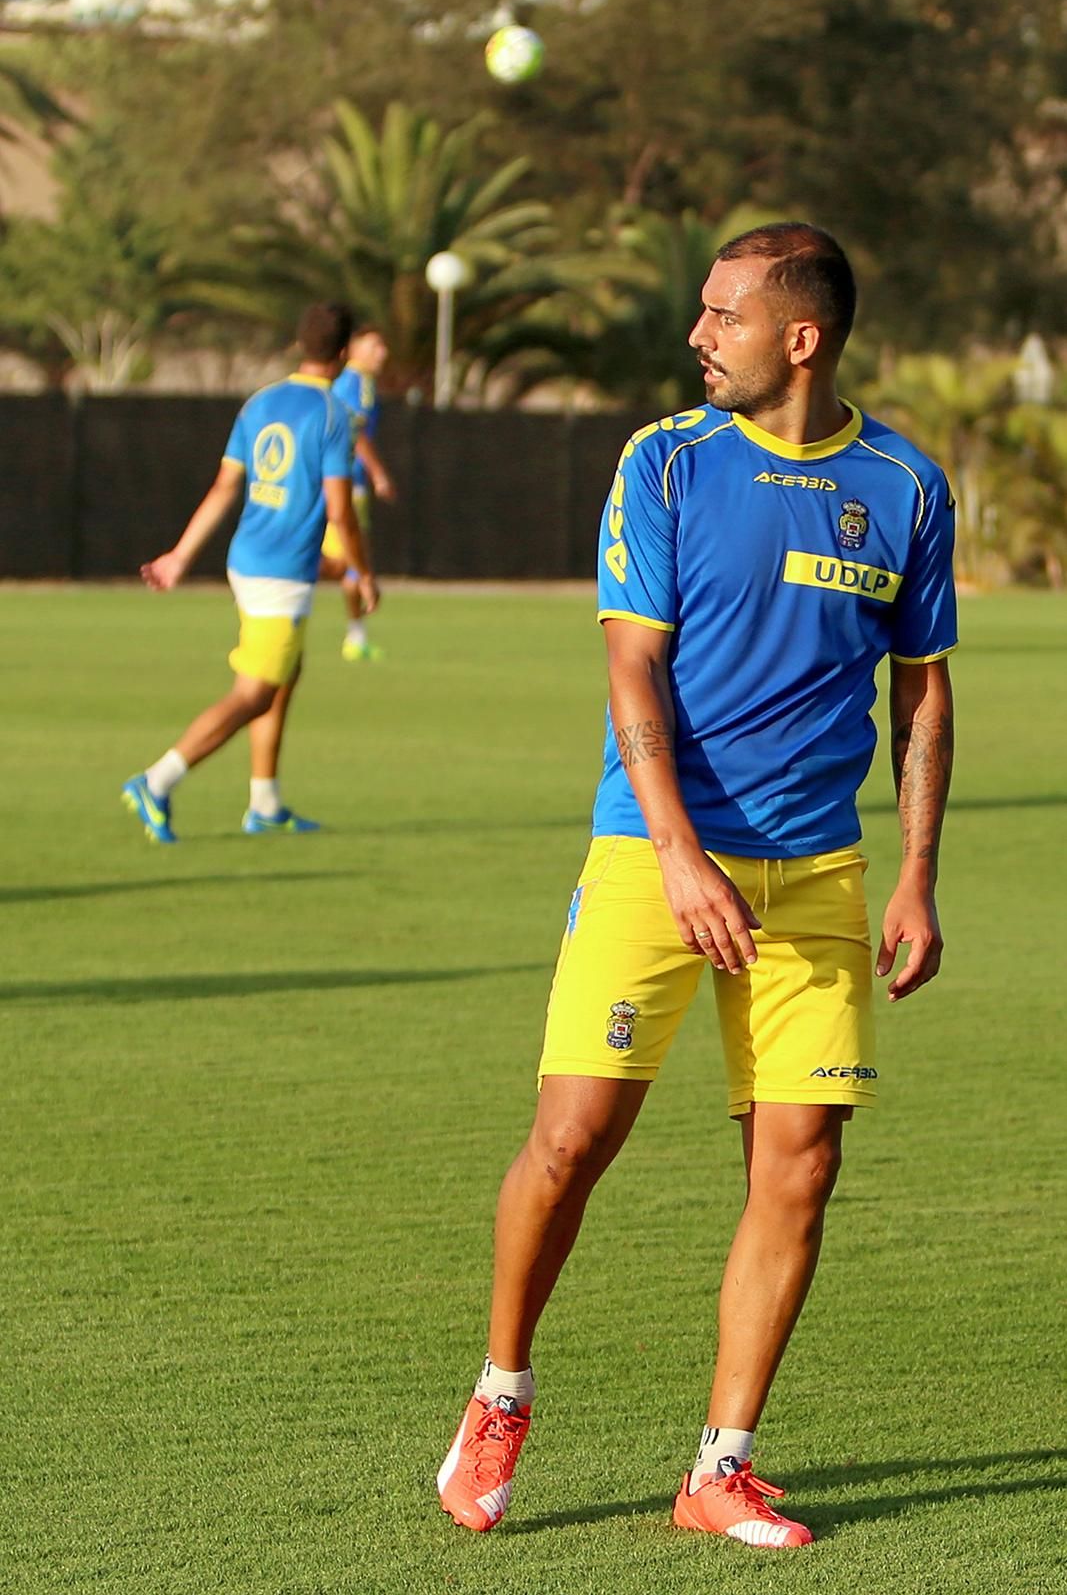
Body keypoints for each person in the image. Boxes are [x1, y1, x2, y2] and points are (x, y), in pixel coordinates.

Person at [437, 223, 956, 1546]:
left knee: (800, 1164)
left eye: (722, 314)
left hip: (816, 874)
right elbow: (631, 667)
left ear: (800, 336)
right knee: (570, 1141)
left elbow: (920, 691)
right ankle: (499, 1392)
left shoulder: (903, 485)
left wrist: (913, 874)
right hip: (651, 854)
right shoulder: (664, 461)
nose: (696, 336)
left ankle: (718, 1468)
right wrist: (676, 856)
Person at [121, 302, 379, 844]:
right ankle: (157, 781)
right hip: (280, 573)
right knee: (255, 694)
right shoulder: (333, 414)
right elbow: (340, 509)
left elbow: (224, 488)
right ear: (343, 353)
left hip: (249, 559)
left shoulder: (260, 402)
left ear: (300, 345)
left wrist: (179, 556)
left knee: (285, 676)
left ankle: (265, 803)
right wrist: (363, 572)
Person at [320, 324, 396, 662]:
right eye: (375, 345)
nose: (383, 353)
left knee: (354, 563)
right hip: (345, 483)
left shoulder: (356, 382)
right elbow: (355, 431)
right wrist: (378, 473)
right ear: (353, 349)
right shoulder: (355, 383)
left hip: (344, 481)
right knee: (347, 562)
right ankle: (277, 569)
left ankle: (357, 637)